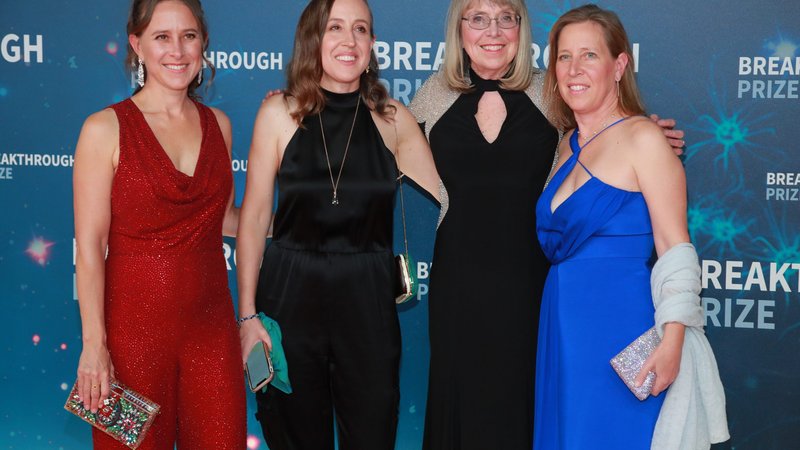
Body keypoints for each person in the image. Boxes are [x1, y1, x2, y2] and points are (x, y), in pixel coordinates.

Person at [408, 1, 686, 449]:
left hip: (534, 286)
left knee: (531, 407)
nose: (492, 30)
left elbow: (601, 135)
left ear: (522, 28)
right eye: (477, 18)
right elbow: (373, 139)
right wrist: (298, 104)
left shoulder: (551, 90)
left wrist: (646, 131)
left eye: (506, 17)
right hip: (457, 284)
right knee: (459, 405)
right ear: (458, 30)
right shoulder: (432, 95)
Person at [235, 0, 440, 448]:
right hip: (289, 297)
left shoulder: (394, 120)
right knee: (293, 434)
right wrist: (248, 315)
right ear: (313, 38)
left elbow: (451, 197)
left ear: (371, 44)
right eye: (336, 28)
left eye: (361, 29)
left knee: (371, 434)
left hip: (367, 302)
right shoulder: (278, 114)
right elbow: (252, 219)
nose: (349, 41)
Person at [533, 4, 728, 449]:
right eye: (564, 57)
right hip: (564, 329)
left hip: (621, 328)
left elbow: (675, 246)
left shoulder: (645, 138)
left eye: (589, 55)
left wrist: (673, 341)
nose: (575, 69)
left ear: (619, 64)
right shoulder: (567, 144)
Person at [72, 0, 245, 448]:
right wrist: (95, 345)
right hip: (130, 340)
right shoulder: (103, 128)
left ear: (203, 43)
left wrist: (303, 209)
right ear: (137, 45)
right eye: (162, 37)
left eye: (188, 36)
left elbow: (225, 219)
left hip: (212, 331)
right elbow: (90, 246)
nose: (178, 51)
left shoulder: (219, 126)